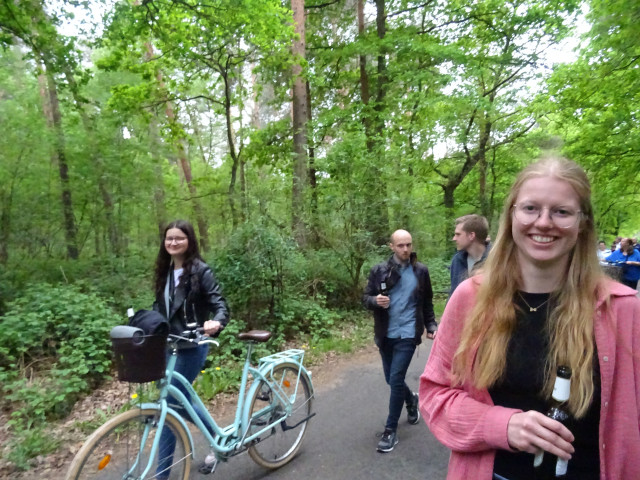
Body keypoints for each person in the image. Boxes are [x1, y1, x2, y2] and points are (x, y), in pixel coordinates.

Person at [419, 157, 640, 480]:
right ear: (511, 216)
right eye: (531, 208)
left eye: (561, 212)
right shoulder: (471, 299)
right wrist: (502, 425)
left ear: (582, 223)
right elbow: (435, 395)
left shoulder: (621, 309)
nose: (544, 222)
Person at [152, 220, 230, 478]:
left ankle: (161, 474)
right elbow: (161, 309)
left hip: (192, 344)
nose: (173, 242)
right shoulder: (165, 272)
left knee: (169, 404)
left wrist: (216, 322)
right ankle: (218, 439)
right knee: (174, 401)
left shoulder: (200, 271)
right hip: (170, 344)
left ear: (190, 241)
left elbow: (220, 304)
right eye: (169, 238)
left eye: (179, 238)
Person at [363, 229, 437, 453]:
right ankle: (411, 400)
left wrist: (431, 325)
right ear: (392, 247)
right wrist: (375, 300)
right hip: (386, 333)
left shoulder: (420, 271)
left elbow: (427, 301)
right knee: (391, 379)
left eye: (408, 245)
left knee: (396, 378)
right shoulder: (379, 271)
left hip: (408, 332)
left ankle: (390, 430)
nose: (406, 249)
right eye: (401, 245)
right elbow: (365, 298)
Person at [450, 214, 490, 296]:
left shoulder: (496, 260)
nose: (454, 238)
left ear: (471, 235)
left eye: (458, 234)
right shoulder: (457, 260)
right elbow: (453, 294)